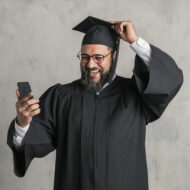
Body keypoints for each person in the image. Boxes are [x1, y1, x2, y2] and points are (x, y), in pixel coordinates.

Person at [7, 16, 183, 190]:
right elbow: (34, 142)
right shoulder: (62, 97)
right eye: (85, 57)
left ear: (113, 55)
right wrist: (23, 123)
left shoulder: (135, 94)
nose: (90, 64)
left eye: (98, 57)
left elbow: (170, 79)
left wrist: (135, 41)